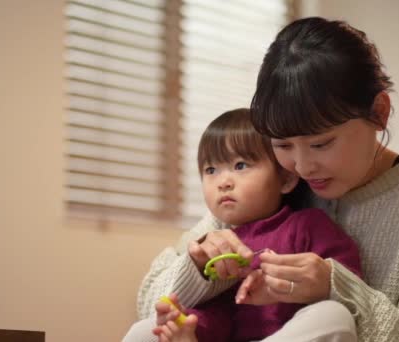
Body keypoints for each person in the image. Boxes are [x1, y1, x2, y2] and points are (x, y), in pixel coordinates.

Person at [130, 17, 399, 341]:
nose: (301, 166)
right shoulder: (271, 180)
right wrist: (197, 271)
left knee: (331, 318)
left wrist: (339, 288)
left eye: (320, 143)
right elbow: (150, 300)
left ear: (379, 112)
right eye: (283, 145)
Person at [124, 108, 361, 342]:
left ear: (286, 178)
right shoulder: (217, 244)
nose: (223, 182)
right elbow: (217, 316)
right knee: (145, 331)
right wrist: (187, 326)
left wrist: (304, 284)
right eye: (211, 170)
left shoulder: (308, 225)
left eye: (240, 166)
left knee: (334, 316)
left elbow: (349, 284)